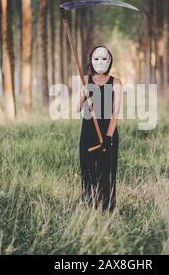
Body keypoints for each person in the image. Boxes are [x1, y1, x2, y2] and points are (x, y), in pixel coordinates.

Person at [76, 46, 122, 212]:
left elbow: (116, 113)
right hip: (88, 132)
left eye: (104, 59)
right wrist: (83, 93)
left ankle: (107, 209)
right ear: (91, 60)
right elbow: (76, 108)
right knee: (87, 172)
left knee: (106, 173)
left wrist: (109, 136)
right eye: (96, 58)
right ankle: (89, 208)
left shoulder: (115, 82)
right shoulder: (85, 79)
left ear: (109, 61)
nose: (100, 62)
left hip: (107, 132)